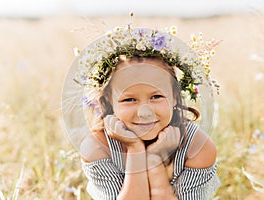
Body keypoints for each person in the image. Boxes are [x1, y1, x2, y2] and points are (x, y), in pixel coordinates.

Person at [63, 23, 220, 199]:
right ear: (108, 101)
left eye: (156, 97)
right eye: (129, 99)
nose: (144, 112)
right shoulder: (97, 147)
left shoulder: (197, 147)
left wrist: (154, 159)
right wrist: (135, 149)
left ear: (176, 96)